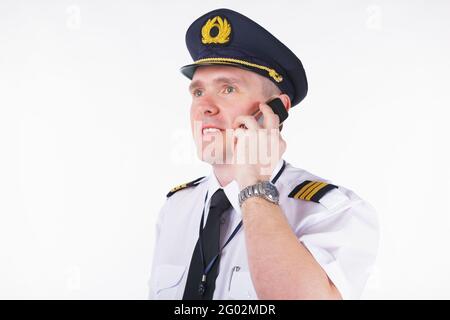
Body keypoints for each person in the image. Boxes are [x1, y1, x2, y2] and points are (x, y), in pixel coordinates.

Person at [148, 8, 379, 300]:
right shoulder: (177, 208)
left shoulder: (333, 211)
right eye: (197, 92)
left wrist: (253, 183)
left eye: (228, 89)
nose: (204, 106)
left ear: (274, 110)